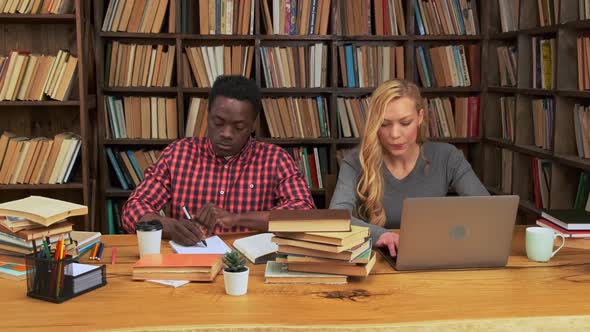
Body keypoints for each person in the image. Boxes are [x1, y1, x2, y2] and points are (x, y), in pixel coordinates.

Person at [121, 75, 315, 245]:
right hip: (191, 262)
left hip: (250, 267)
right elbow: (133, 210)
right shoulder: (178, 154)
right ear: (208, 116)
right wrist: (169, 227)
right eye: (218, 123)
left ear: (253, 124)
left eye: (238, 127)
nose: (226, 134)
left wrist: (238, 219)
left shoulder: (275, 159)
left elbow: (303, 213)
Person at [329, 80, 489, 256]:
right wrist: (381, 235)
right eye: (384, 124)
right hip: (377, 260)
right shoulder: (354, 161)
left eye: (405, 123)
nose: (395, 134)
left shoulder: (448, 156)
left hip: (435, 255)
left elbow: (486, 210)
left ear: (420, 117)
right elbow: (336, 217)